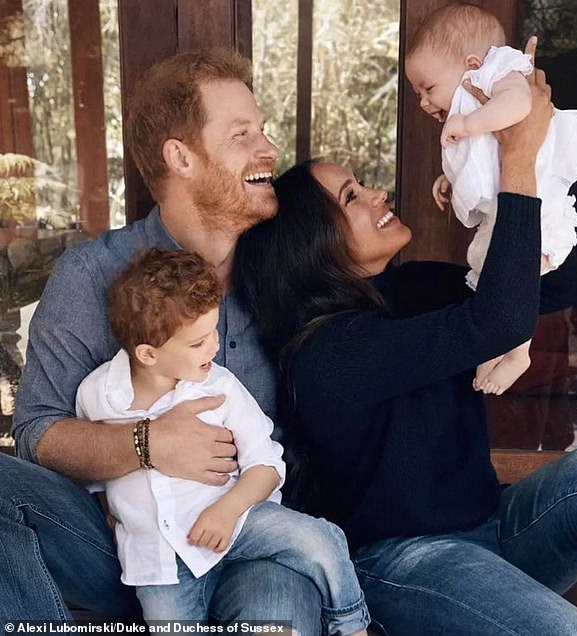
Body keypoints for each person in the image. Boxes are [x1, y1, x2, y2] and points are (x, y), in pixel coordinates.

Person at [234, 50, 577, 635]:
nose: (377, 195)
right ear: (311, 246)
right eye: (351, 197)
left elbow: (556, 287)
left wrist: (510, 181)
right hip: (404, 562)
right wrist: (514, 152)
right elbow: (495, 323)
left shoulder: (415, 284)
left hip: (495, 527)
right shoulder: (325, 354)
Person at [2, 49, 322, 632]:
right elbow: (36, 434)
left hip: (251, 535)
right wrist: (147, 444)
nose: (269, 149)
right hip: (128, 550)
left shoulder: (283, 272)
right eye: (242, 133)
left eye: (264, 130)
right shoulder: (92, 275)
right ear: (182, 157)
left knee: (281, 618)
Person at [75, 247, 369, 634]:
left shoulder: (220, 386)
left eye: (213, 330)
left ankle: (352, 625)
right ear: (148, 353)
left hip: (239, 522)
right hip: (159, 563)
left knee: (319, 540)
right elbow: (94, 469)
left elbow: (267, 464)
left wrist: (227, 511)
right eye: (197, 343)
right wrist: (112, 512)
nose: (214, 347)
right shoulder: (98, 395)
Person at [404, 2, 577, 395]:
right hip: (508, 206)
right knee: (489, 271)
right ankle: (496, 344)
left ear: (472, 63)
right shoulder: (473, 99)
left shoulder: (502, 73)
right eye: (417, 94)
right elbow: (486, 158)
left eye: (429, 88)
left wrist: (467, 122)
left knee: (517, 275)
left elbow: (519, 106)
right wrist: (450, 178)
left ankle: (517, 352)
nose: (425, 103)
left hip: (539, 204)